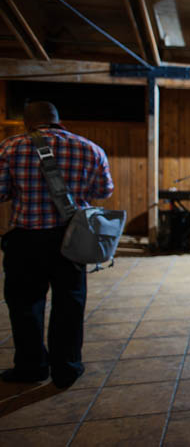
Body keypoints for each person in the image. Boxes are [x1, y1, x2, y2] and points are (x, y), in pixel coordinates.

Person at [0, 101, 114, 388]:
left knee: (25, 305)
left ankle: (31, 367)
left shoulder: (10, 147)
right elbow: (103, 190)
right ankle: (67, 368)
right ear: (56, 119)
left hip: (26, 237)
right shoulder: (89, 148)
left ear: (29, 122)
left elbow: (1, 192)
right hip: (72, 236)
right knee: (69, 303)